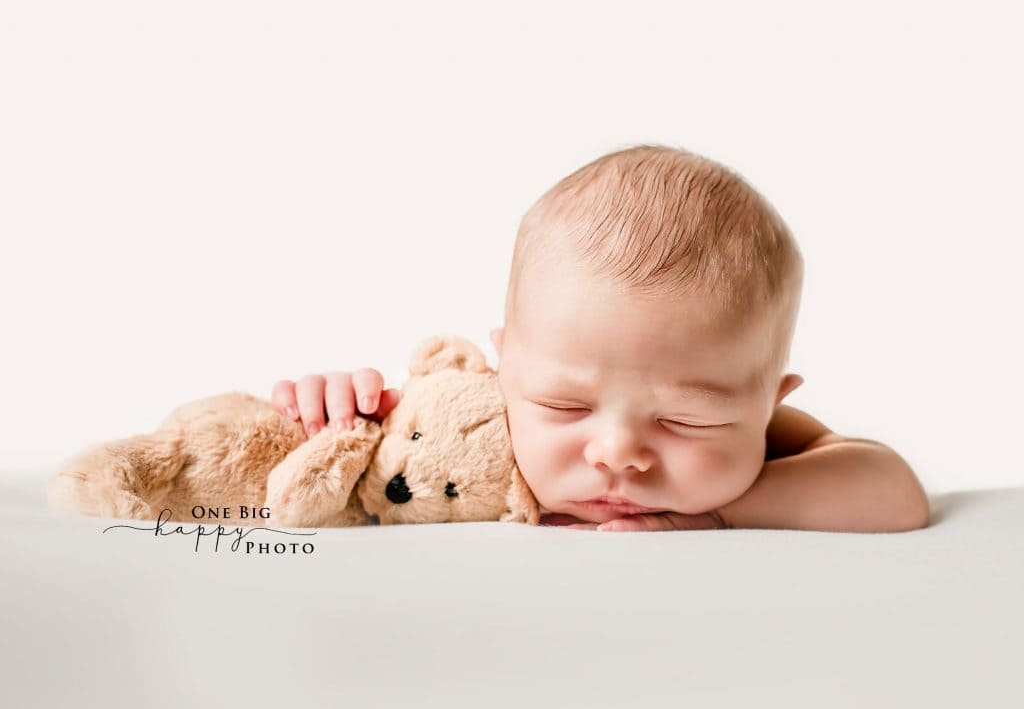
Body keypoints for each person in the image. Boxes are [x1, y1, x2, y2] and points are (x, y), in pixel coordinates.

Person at [269, 144, 929, 533]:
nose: (618, 452)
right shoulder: (476, 415)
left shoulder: (760, 438)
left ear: (764, 405)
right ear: (507, 365)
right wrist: (331, 405)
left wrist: (727, 506)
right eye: (565, 406)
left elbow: (895, 492)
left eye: (685, 419)